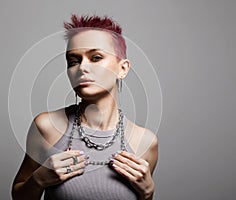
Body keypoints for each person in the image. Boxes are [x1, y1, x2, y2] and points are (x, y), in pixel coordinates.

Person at [11, 14, 158, 200]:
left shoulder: (146, 142)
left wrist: (147, 194)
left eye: (96, 57)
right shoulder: (46, 127)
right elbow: (19, 196)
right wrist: (39, 180)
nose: (82, 68)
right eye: (73, 61)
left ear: (122, 69)